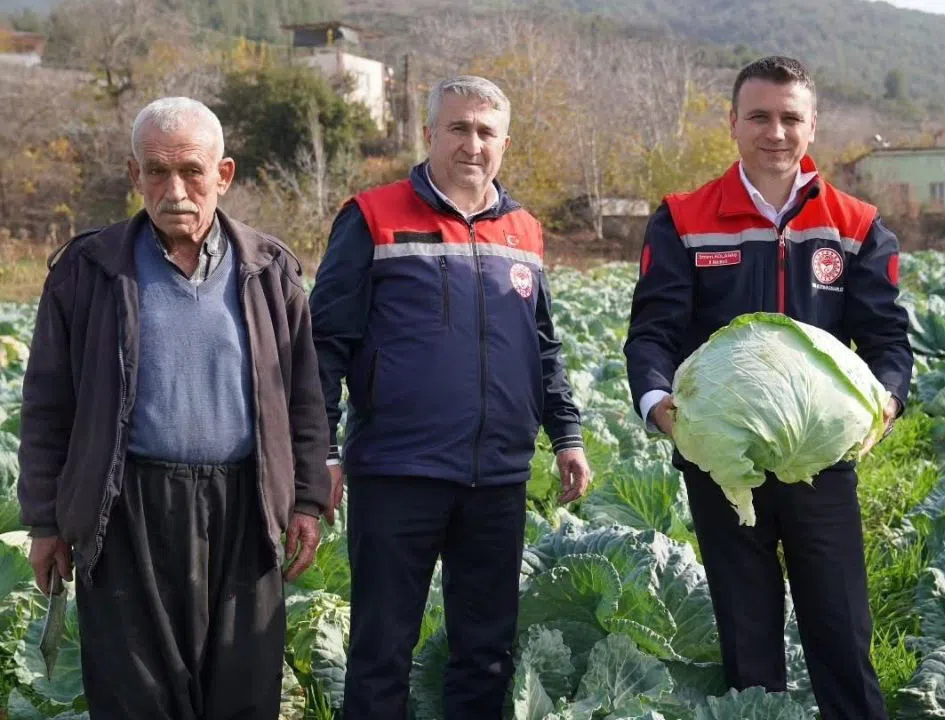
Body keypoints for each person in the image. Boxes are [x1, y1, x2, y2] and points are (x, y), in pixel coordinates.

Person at [17, 96, 331, 719]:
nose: (175, 189)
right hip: (124, 508)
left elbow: (304, 398)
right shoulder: (87, 271)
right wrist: (46, 522)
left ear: (224, 174)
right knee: (136, 697)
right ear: (135, 177)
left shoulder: (270, 270)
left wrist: (308, 500)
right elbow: (48, 405)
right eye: (156, 171)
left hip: (245, 507)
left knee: (241, 692)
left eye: (191, 169)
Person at [623, 56, 912, 720]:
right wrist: (660, 407)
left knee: (841, 632)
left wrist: (885, 404)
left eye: (790, 118)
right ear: (732, 123)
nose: (774, 132)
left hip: (821, 459)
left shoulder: (856, 223)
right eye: (759, 116)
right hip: (723, 459)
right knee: (747, 638)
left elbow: (889, 341)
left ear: (812, 127)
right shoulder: (683, 218)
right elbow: (652, 334)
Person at [309, 75, 591, 719]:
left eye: (486, 132)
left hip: (497, 475)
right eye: (458, 128)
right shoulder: (372, 216)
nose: (472, 143)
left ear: (505, 143)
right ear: (429, 133)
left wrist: (567, 434)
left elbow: (542, 346)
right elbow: (325, 344)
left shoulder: (523, 231)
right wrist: (320, 450)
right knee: (383, 649)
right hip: (397, 470)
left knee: (486, 652)